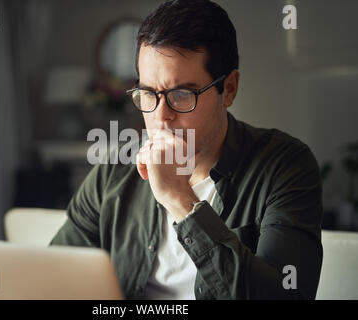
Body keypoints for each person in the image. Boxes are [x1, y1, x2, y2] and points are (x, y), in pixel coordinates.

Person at [50, 0, 323, 300]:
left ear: (228, 89)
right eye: (148, 94)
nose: (161, 116)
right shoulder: (114, 171)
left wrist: (181, 201)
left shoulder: (285, 166)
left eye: (181, 94)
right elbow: (55, 277)